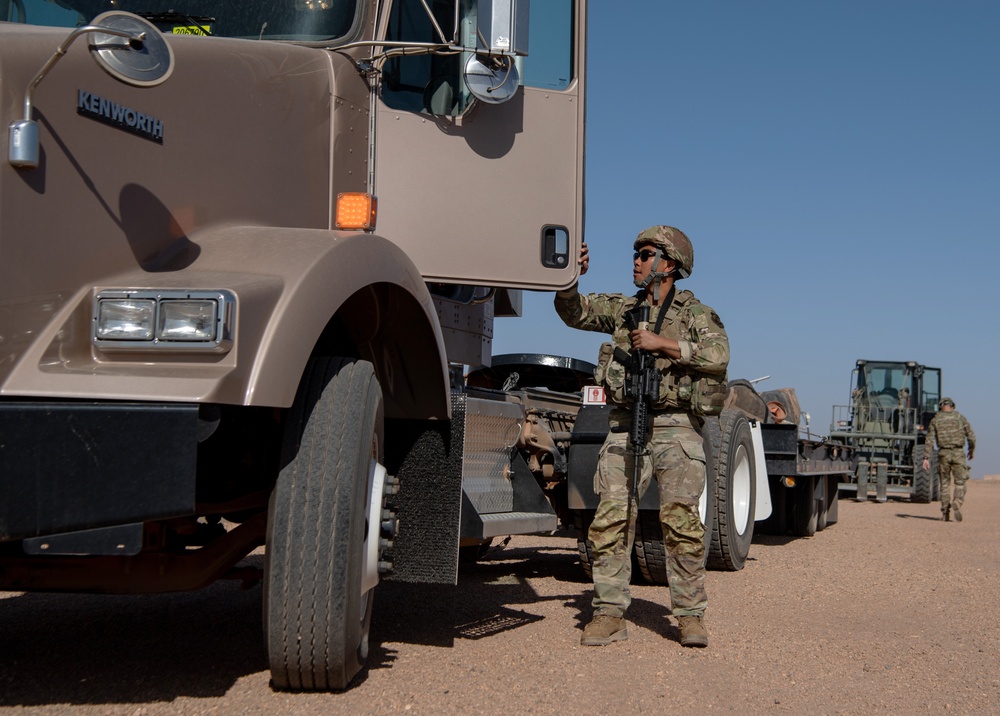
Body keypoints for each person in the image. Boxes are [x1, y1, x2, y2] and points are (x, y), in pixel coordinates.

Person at [554, 226, 730, 648]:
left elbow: (719, 354)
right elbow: (575, 312)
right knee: (611, 519)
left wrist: (664, 344)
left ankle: (689, 616)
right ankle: (609, 614)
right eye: (635, 253)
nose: (635, 260)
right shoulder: (623, 309)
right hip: (624, 423)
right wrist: (567, 279)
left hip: (675, 427)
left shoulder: (695, 314)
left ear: (669, 264)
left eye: (645, 254)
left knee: (681, 524)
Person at [922, 397, 975, 522]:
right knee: (960, 483)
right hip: (958, 453)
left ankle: (945, 513)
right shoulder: (960, 418)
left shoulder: (936, 420)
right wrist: (971, 450)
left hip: (943, 454)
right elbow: (971, 436)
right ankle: (957, 501)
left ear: (940, 406)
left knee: (944, 484)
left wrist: (926, 458)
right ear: (952, 406)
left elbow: (929, 440)